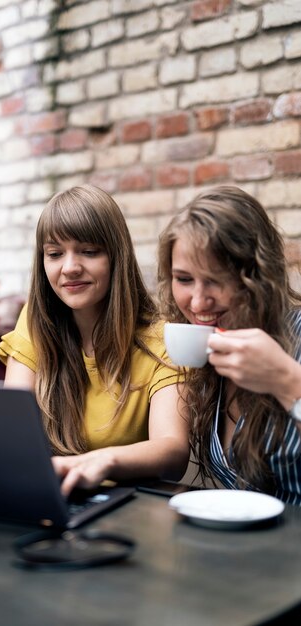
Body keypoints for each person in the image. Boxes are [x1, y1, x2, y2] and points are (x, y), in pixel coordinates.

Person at [0, 184, 189, 496]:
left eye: (89, 251)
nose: (70, 268)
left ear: (117, 257)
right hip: (51, 500)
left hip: (129, 513)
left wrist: (102, 462)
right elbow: (11, 432)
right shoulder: (35, 322)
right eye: (55, 254)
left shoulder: (161, 340)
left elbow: (173, 452)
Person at [158, 185, 301, 504]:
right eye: (183, 279)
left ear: (257, 275)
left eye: (216, 279)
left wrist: (286, 381)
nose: (197, 301)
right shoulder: (210, 356)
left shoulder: (297, 336)